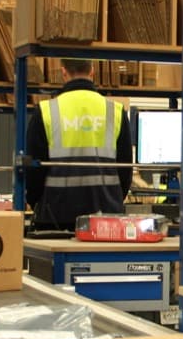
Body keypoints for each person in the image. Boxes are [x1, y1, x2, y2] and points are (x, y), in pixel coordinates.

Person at [25, 58, 132, 232]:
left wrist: (39, 203)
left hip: (56, 220)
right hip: (106, 221)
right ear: (92, 71)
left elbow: (33, 172)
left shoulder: (46, 111)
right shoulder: (116, 111)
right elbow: (125, 171)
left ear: (63, 72)